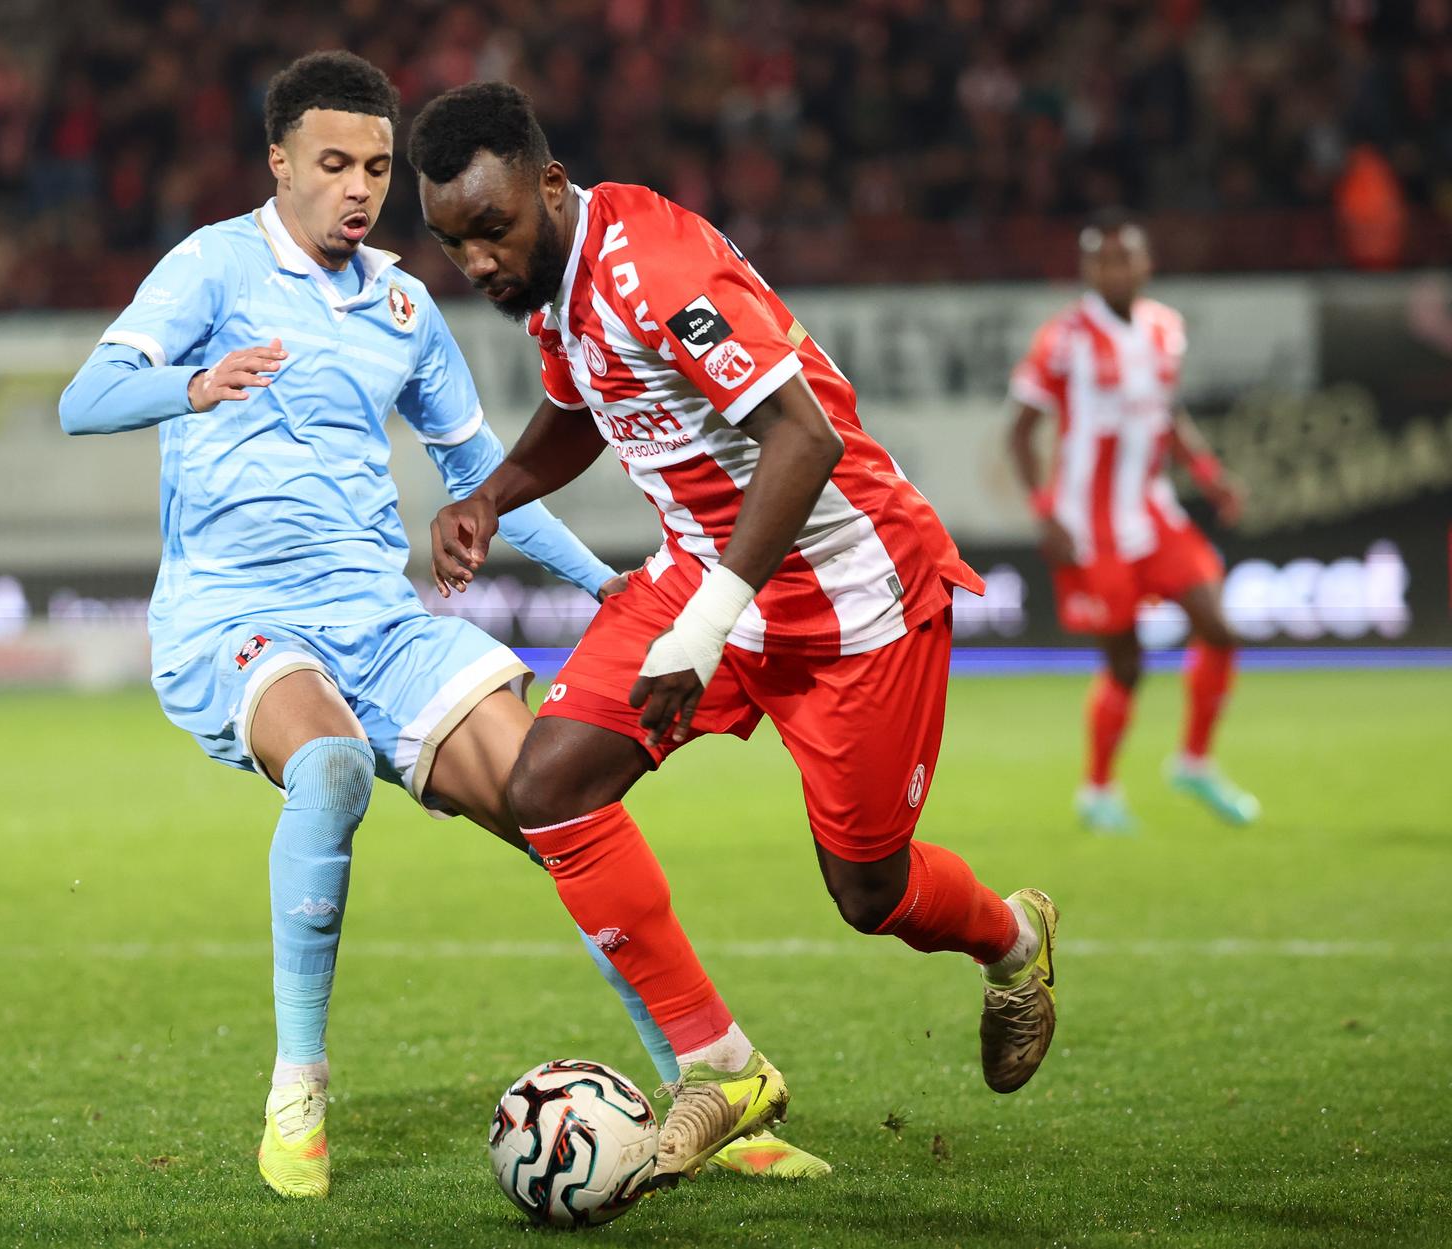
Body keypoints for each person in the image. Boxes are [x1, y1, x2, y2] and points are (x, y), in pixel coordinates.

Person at [58, 52, 827, 1199]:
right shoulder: (213, 267)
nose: (357, 188)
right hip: (236, 615)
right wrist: (195, 383)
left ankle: (711, 1084)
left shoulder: (403, 306)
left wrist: (604, 585)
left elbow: (481, 477)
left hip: (381, 624)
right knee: (329, 767)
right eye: (332, 164)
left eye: (375, 168)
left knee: (560, 811)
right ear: (279, 165)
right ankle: (298, 1090)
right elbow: (84, 400)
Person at [409, 80, 1061, 1187]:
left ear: (549, 185)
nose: (477, 261)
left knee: (869, 891)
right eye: (453, 242)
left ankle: (1014, 941)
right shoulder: (555, 282)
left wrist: (708, 626)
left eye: (491, 228)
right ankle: (722, 1066)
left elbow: (804, 440)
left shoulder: (652, 267)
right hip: (705, 573)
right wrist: (493, 496)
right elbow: (581, 403)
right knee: (549, 784)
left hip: (852, 598)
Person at [1007, 218, 1259, 834]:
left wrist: (1210, 476)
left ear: (1147, 264)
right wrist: (1044, 512)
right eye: (1103, 261)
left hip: (1153, 511)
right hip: (1090, 526)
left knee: (1220, 629)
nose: (1115, 271)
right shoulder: (1063, 339)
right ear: (1087, 270)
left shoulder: (1165, 328)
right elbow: (1019, 433)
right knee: (1126, 664)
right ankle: (1097, 789)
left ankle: (1194, 761)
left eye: (1126, 259)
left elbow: (1166, 415)